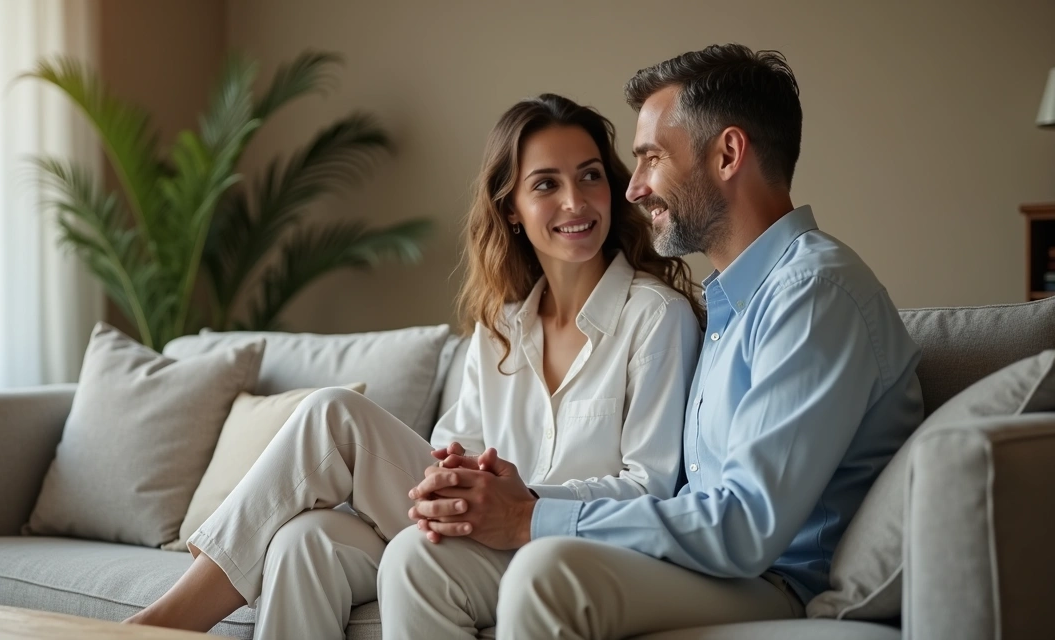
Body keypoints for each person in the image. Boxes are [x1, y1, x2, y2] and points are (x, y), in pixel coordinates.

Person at [384, 44, 925, 639]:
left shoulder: (813, 294)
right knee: (420, 558)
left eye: (651, 158)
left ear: (727, 154)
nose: (634, 188)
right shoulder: (731, 305)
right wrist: (523, 501)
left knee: (547, 571)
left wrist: (532, 517)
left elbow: (743, 527)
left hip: (775, 582)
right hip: (714, 568)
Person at [125, 92, 703, 639]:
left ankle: (162, 626)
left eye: (590, 176)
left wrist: (523, 498)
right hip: (478, 530)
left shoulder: (657, 317)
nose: (575, 202)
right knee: (304, 540)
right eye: (546, 184)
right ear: (512, 210)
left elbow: (649, 487)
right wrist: (455, 471)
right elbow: (455, 441)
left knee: (333, 415)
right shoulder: (500, 328)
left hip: (570, 548)